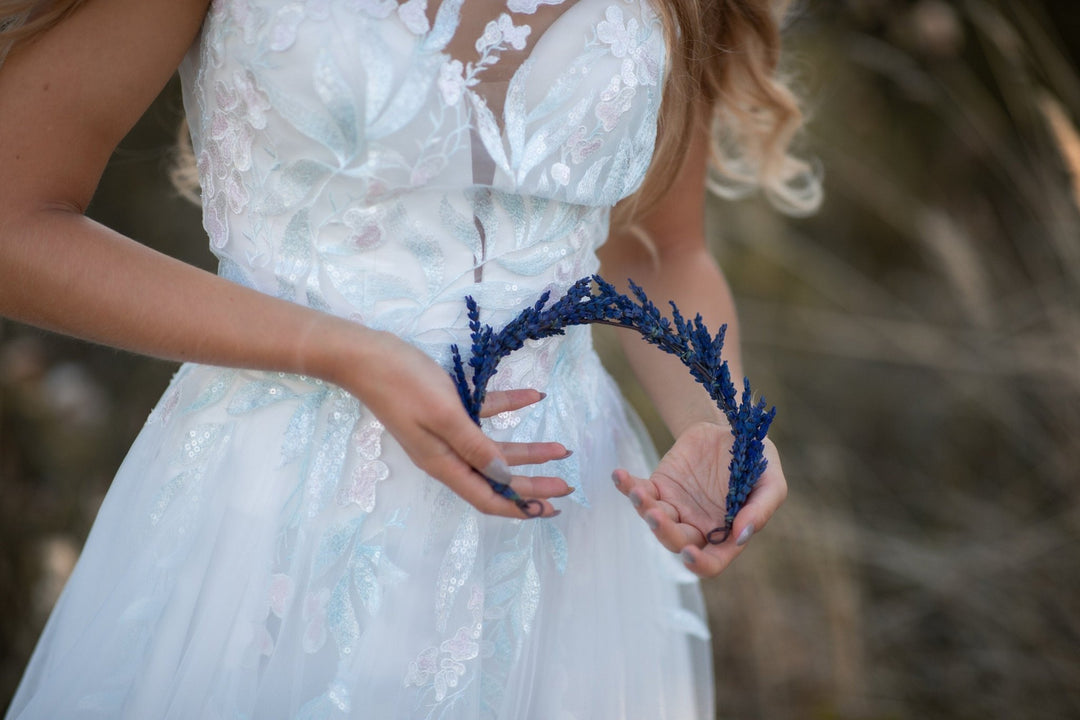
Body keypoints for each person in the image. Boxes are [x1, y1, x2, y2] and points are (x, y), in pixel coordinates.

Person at [0, 0, 817, 717]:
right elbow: (16, 222)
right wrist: (339, 350)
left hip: (564, 530)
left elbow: (655, 244)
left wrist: (718, 416)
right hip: (270, 523)